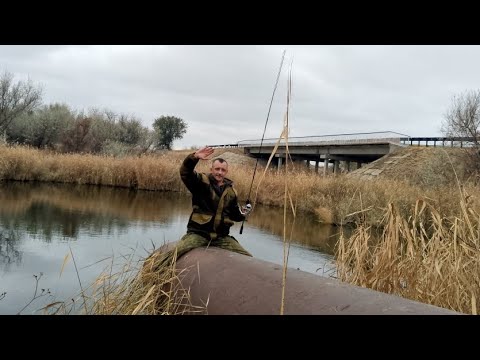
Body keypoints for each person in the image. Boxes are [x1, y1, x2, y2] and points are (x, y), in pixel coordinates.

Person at [148, 146, 253, 270]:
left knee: (248, 257)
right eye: (217, 169)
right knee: (176, 252)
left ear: (226, 172)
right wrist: (194, 158)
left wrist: (245, 212)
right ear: (211, 169)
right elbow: (185, 173)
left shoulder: (231, 192)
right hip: (199, 234)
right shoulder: (202, 182)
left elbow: (235, 215)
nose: (220, 172)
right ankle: (152, 270)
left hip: (221, 238)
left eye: (223, 170)